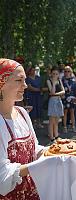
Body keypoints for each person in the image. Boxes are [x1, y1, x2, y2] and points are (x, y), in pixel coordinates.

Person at [0, 58, 44, 199]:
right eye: (19, 80)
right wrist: (41, 164)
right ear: (1, 83)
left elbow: (33, 149)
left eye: (25, 80)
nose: (25, 85)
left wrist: (54, 152)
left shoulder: (22, 113)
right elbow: (2, 174)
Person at [47, 67, 65, 142]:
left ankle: (56, 135)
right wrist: (54, 83)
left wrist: (56, 94)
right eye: (53, 73)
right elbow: (52, 92)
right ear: (51, 74)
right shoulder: (49, 81)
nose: (55, 75)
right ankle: (51, 137)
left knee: (57, 120)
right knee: (52, 120)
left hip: (58, 100)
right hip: (52, 101)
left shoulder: (60, 80)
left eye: (56, 74)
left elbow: (63, 91)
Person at [61, 66, 76, 133]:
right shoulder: (62, 80)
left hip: (72, 98)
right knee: (65, 112)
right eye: (65, 71)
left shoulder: (73, 80)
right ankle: (65, 127)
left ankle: (73, 127)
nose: (67, 73)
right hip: (65, 97)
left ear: (71, 72)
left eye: (68, 71)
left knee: (72, 112)